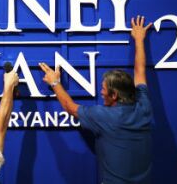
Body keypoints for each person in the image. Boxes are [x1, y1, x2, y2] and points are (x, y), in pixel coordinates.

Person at [39, 15, 153, 184]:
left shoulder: (103, 116)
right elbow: (140, 72)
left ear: (114, 95)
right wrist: (139, 40)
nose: (100, 92)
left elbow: (70, 107)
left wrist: (54, 81)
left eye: (104, 89)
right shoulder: (144, 107)